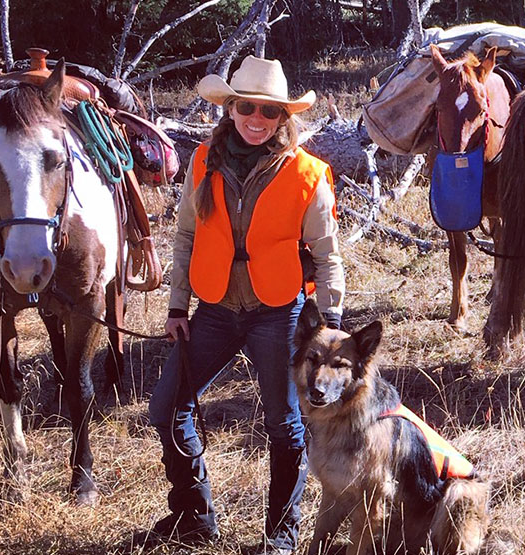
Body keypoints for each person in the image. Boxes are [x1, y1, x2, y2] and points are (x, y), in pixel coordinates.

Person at [138, 56, 345, 553]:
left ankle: (281, 536)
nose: (257, 118)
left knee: (284, 424)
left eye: (269, 111)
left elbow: (328, 255)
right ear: (230, 108)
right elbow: (186, 235)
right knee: (166, 409)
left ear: (283, 117)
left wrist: (331, 325)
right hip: (212, 310)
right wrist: (175, 308)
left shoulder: (308, 174)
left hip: (280, 313)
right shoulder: (202, 160)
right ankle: (194, 517)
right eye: (247, 106)